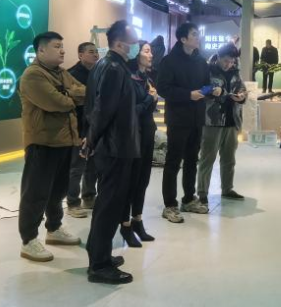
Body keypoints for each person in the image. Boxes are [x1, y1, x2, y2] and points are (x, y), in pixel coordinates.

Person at [18, 32, 86, 263]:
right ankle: (28, 240)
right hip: (42, 142)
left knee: (58, 191)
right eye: (57, 46)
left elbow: (84, 92)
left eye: (62, 46)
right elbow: (56, 102)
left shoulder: (61, 73)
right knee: (35, 193)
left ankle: (54, 228)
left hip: (65, 141)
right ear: (41, 50)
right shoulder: (33, 75)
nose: (62, 51)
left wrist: (68, 94)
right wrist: (69, 96)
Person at [83, 21, 141, 285]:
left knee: (106, 204)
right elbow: (102, 110)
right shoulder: (114, 69)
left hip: (112, 146)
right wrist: (91, 139)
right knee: (109, 206)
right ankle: (100, 265)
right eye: (133, 41)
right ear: (119, 44)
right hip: (115, 147)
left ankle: (99, 252)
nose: (136, 45)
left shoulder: (104, 66)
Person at [157, 22, 221, 223]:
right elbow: (163, 88)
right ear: (183, 39)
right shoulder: (169, 61)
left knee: (192, 160)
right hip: (178, 118)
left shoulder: (200, 61)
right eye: (194, 34)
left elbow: (204, 86)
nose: (197, 37)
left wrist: (212, 90)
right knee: (173, 161)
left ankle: (188, 199)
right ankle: (170, 205)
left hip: (197, 117)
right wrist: (187, 95)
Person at [197, 44, 247, 205]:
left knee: (229, 158)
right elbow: (200, 90)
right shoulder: (207, 70)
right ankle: (202, 192)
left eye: (231, 61)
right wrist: (213, 90)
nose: (228, 64)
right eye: (226, 61)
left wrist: (242, 96)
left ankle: (227, 189)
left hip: (232, 121)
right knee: (208, 158)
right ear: (218, 57)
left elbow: (243, 90)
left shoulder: (235, 72)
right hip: (213, 121)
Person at [120, 40, 158, 247]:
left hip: (147, 133)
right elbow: (131, 111)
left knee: (143, 180)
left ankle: (138, 220)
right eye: (147, 51)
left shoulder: (147, 79)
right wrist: (150, 100)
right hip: (132, 135)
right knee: (130, 181)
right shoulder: (128, 78)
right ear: (137, 54)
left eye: (151, 51)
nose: (150, 55)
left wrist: (152, 100)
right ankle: (125, 225)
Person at [66, 42, 100, 218]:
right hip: (78, 126)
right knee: (77, 166)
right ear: (80, 55)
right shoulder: (71, 74)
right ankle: (72, 202)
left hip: (94, 126)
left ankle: (89, 197)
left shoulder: (99, 72)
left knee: (93, 165)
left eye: (96, 52)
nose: (95, 55)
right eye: (91, 52)